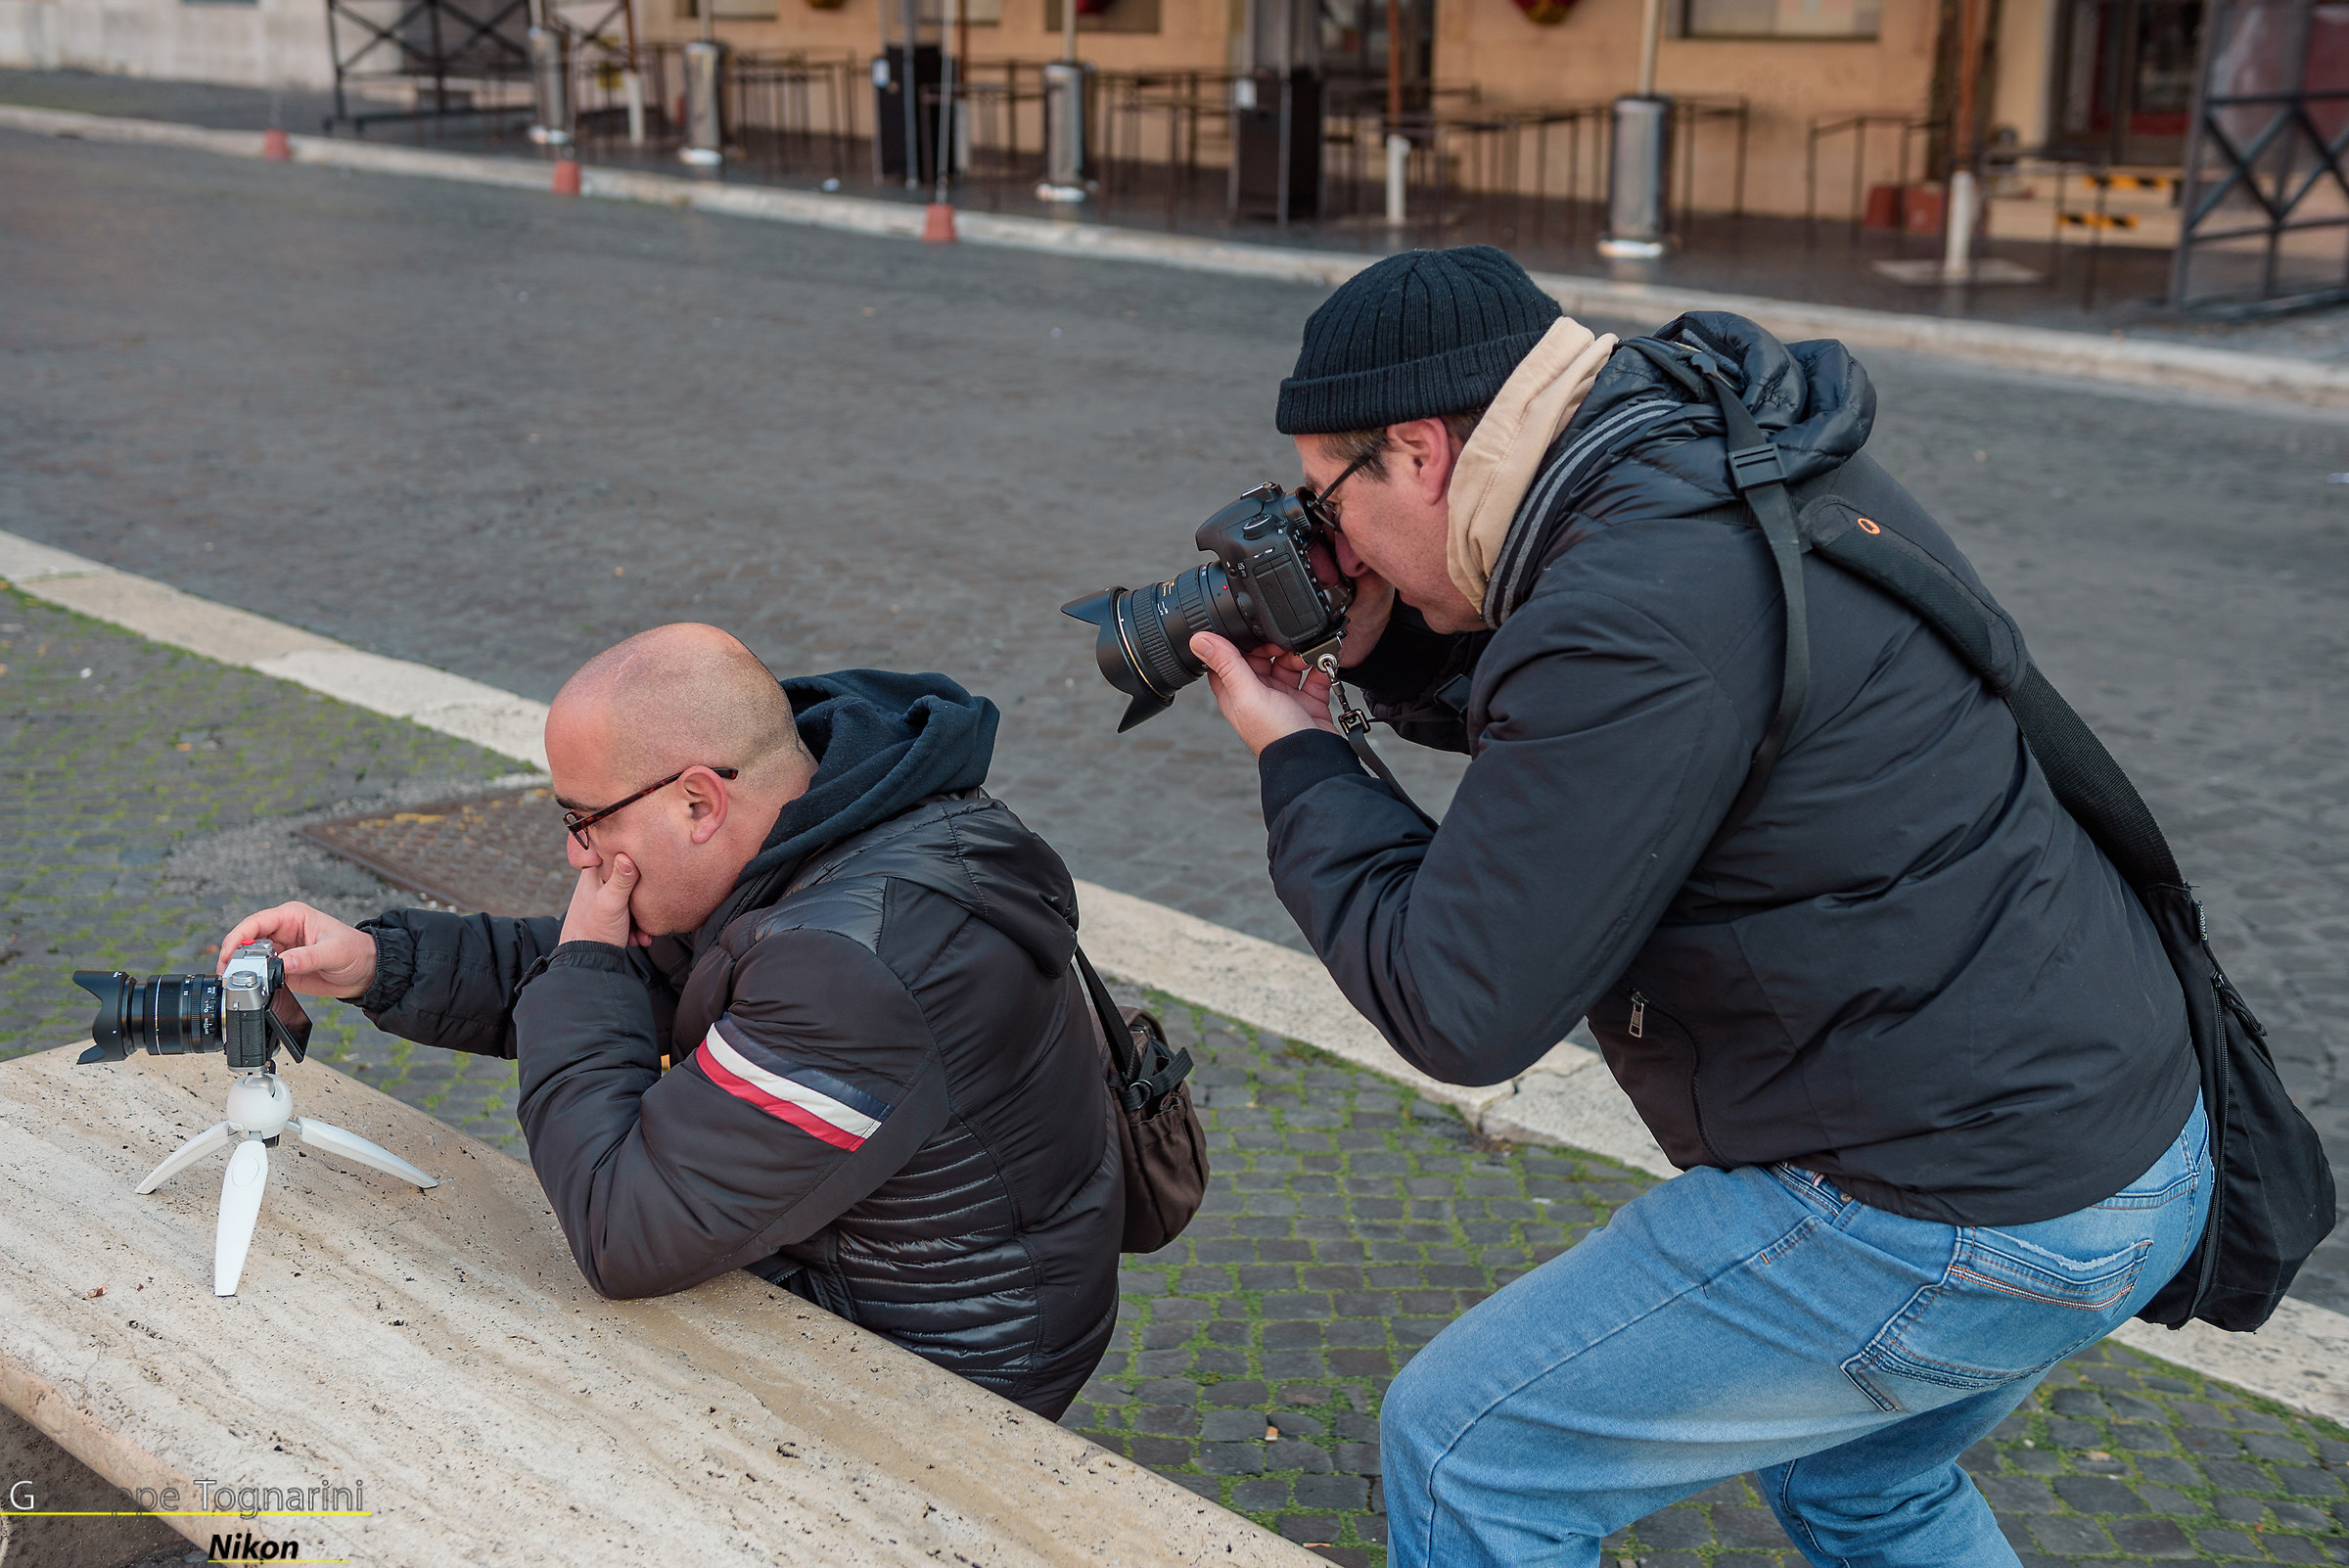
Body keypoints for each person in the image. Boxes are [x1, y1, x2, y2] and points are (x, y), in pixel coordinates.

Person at [1187, 247, 2207, 1567]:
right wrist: (1382, 641)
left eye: (1327, 501)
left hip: (1968, 1203)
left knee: (1469, 1450)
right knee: (1864, 1485)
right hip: (2121, 1133)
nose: (1329, 543)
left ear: (1425, 454)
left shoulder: (1628, 599)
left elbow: (1460, 1001)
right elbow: (1600, 730)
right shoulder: (1688, 443)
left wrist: (1301, 751)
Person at [220, 624, 1123, 1419]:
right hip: (879, 1271)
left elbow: (621, 1227)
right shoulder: (824, 828)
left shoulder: (847, 963)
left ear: (700, 800)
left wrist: (581, 966)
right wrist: (383, 963)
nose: (575, 854)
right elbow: (631, 977)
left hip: (940, 1359)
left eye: (585, 820)